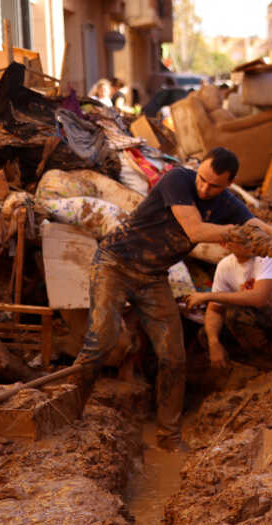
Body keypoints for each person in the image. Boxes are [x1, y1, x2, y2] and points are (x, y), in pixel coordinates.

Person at [74, 147, 257, 450]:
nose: (204, 188)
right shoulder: (177, 179)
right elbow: (195, 230)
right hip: (114, 263)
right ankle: (70, 413)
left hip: (153, 276)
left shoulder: (228, 204)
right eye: (203, 179)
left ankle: (168, 435)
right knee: (101, 340)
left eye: (214, 186)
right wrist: (235, 232)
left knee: (173, 355)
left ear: (227, 185)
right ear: (198, 170)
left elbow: (257, 227)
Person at [185, 240, 272, 369]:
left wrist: (208, 296)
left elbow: (258, 298)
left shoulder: (268, 258)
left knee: (236, 313)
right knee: (207, 334)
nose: (250, 241)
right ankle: (264, 362)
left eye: (249, 236)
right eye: (241, 238)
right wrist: (213, 342)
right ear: (225, 244)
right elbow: (214, 309)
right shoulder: (225, 266)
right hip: (266, 326)